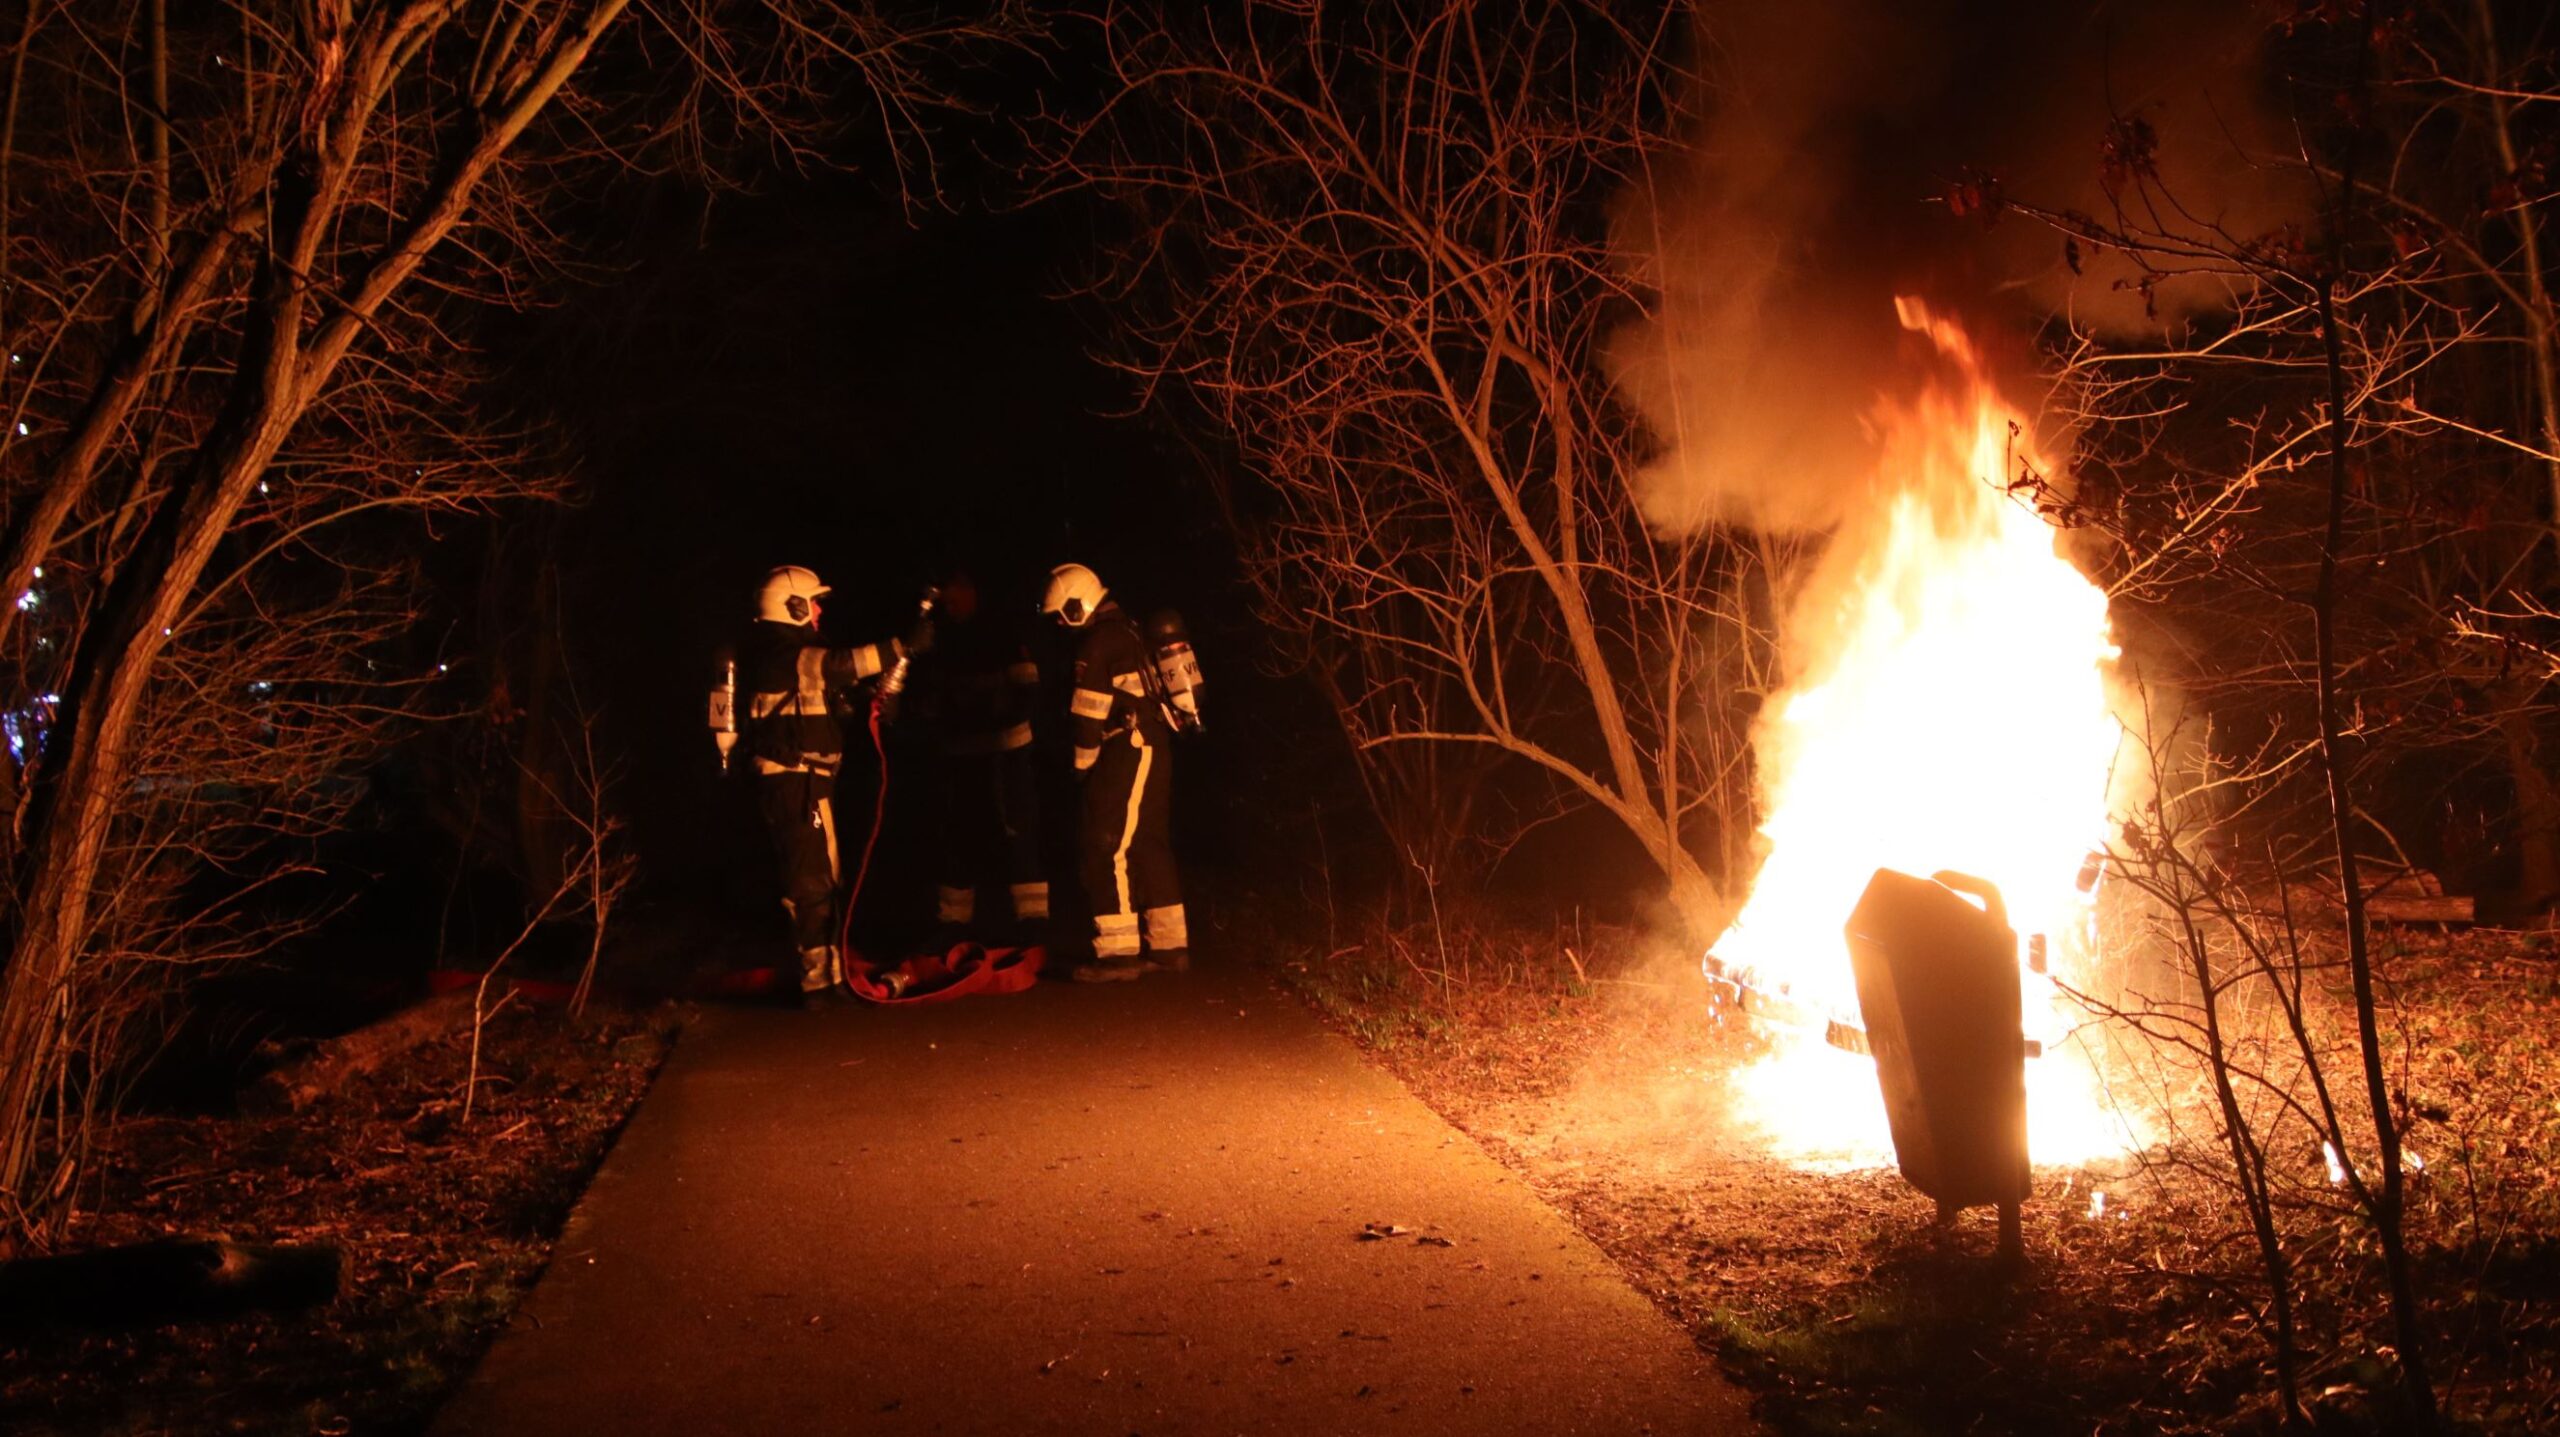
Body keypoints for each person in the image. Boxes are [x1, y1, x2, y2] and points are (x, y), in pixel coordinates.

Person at [735, 564, 931, 1009]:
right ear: (794, 606)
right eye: (815, 602)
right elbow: (842, 665)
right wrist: (902, 646)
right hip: (793, 782)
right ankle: (818, 986)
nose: (820, 610)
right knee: (811, 882)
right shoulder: (780, 652)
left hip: (809, 783)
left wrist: (879, 697)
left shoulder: (795, 654)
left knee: (823, 877)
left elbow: (836, 691)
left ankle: (828, 978)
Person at [1041, 561, 1186, 981]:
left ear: (1076, 606)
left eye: (1062, 617)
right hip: (1154, 745)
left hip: (1126, 748)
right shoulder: (1131, 630)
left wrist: (1081, 768)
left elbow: (1088, 718)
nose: (1062, 627)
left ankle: (1118, 955)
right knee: (1147, 841)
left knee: (1103, 844)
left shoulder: (1098, 642)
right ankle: (1170, 948)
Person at [911, 569, 1049, 941]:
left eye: (953, 595)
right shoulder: (940, 638)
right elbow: (931, 696)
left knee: (1017, 832)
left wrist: (989, 720)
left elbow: (1027, 691)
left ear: (971, 590)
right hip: (960, 756)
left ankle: (1033, 923)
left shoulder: (1003, 632)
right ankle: (952, 924)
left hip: (1006, 753)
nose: (947, 604)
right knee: (956, 837)